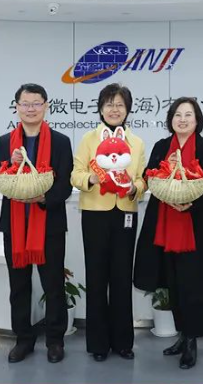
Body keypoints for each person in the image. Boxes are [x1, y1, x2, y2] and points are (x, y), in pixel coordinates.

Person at [133, 97, 203, 369]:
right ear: (171, 119)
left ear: (197, 120)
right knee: (172, 282)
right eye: (177, 115)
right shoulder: (162, 146)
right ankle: (182, 336)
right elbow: (149, 176)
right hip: (164, 224)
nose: (182, 120)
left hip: (195, 226)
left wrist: (189, 203)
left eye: (188, 115)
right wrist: (166, 164)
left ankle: (192, 340)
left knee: (194, 284)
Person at [0, 84, 73, 364]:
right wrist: (9, 164)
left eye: (36, 103)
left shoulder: (60, 142)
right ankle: (23, 339)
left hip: (49, 226)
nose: (30, 109)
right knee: (19, 287)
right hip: (14, 227)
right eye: (25, 104)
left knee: (54, 287)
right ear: (16, 107)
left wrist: (43, 198)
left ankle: (55, 340)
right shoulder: (5, 142)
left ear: (46, 106)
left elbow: (64, 185)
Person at [71, 83, 146, 362]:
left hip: (125, 211)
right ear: (101, 108)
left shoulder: (136, 143)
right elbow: (75, 174)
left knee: (122, 276)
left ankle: (123, 342)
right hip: (95, 213)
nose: (115, 109)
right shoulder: (88, 139)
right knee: (96, 276)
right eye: (109, 104)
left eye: (120, 105)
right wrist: (90, 178)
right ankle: (98, 344)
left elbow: (142, 179)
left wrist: (135, 188)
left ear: (128, 109)